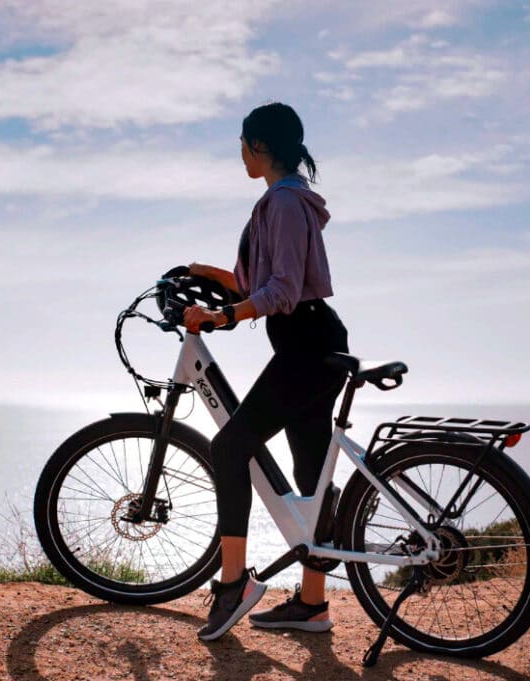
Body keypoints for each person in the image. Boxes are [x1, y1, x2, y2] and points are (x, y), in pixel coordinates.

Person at [183, 102, 349, 642]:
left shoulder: (282, 202)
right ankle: (312, 605)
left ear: (259, 146)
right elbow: (257, 280)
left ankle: (234, 585)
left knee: (229, 447)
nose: (239, 153)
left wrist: (223, 315)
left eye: (241, 143)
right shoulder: (282, 200)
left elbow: (278, 291)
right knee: (310, 478)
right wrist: (199, 275)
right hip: (312, 341)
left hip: (305, 346)